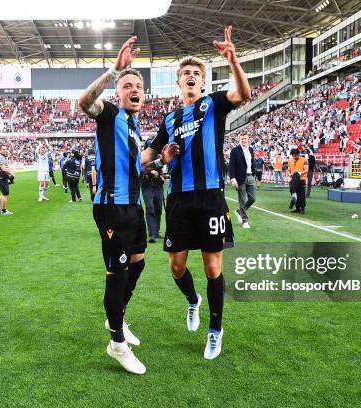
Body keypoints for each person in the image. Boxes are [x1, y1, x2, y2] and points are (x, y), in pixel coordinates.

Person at [141, 26, 251, 360]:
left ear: (202, 82)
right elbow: (148, 156)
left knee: (213, 268)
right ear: (179, 83)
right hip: (177, 199)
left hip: (210, 198)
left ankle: (215, 330)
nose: (190, 77)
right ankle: (193, 301)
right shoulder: (170, 118)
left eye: (195, 74)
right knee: (176, 267)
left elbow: (243, 94)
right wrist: (160, 157)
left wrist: (233, 61)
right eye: (185, 74)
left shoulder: (213, 104)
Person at [78, 36, 148, 374]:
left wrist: (158, 157)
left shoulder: (134, 126)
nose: (134, 89)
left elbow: (135, 161)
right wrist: (113, 70)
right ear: (118, 93)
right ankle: (116, 343)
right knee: (117, 273)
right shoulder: (108, 114)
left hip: (134, 207)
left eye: (138, 85)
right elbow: (83, 101)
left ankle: (118, 317)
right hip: (111, 207)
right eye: (128, 85)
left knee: (138, 263)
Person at [229, 133, 256, 229]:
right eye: (242, 139)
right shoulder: (235, 150)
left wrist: (255, 175)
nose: (244, 140)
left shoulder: (251, 150)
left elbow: (252, 163)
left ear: (248, 139)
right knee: (242, 200)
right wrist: (233, 179)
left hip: (250, 177)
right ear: (239, 140)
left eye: (245, 138)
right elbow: (231, 165)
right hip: (240, 178)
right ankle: (245, 221)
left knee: (253, 198)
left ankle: (239, 211)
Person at [141, 138, 164, 243]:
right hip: (147, 186)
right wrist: (151, 171)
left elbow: (163, 172)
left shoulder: (159, 157)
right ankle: (151, 234)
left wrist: (162, 176)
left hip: (158, 185)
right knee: (150, 208)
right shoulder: (143, 157)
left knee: (158, 208)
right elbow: (141, 169)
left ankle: (156, 231)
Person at [0, 144, 14, 216]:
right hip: (1, 177)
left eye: (5, 149)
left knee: (3, 192)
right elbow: (4, 169)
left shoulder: (1, 156)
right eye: (3, 149)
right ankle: (4, 211)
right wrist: (12, 173)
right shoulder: (0, 157)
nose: (5, 150)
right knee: (5, 194)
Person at [287, 148, 308, 214]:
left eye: (295, 155)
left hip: (301, 180)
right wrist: (289, 174)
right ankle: (297, 208)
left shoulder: (304, 160)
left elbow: (306, 170)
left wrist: (300, 173)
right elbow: (289, 170)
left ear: (298, 154)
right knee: (294, 194)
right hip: (293, 180)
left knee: (301, 195)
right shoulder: (290, 161)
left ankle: (303, 208)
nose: (294, 157)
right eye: (293, 156)